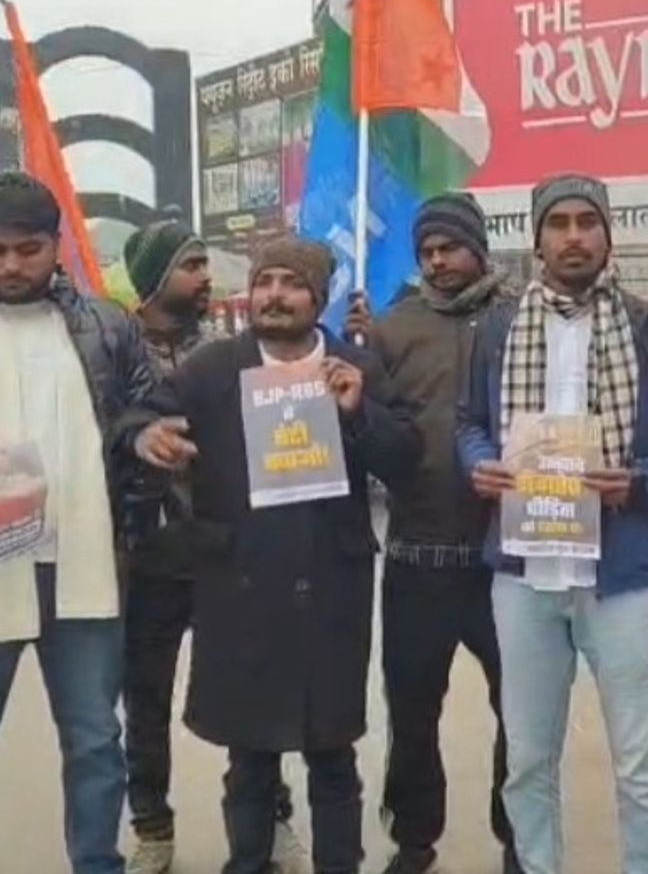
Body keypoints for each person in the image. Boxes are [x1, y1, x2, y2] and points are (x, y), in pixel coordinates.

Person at [125, 237, 421, 874]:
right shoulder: (211, 369)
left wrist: (359, 413)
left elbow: (405, 459)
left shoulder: (353, 365)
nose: (275, 296)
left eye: (291, 283)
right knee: (250, 760)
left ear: (318, 297)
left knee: (333, 756)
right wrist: (148, 437)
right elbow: (141, 420)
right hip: (242, 588)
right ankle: (249, 862)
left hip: (329, 590)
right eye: (265, 282)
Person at [457, 173, 648, 874]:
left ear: (608, 234)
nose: (574, 236)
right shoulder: (499, 328)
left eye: (586, 222)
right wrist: (479, 464)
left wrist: (640, 479)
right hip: (524, 572)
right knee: (528, 758)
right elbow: (469, 423)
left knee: (640, 762)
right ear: (537, 238)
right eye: (559, 223)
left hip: (621, 574)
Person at [344, 193, 520, 874]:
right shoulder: (391, 331)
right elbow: (378, 443)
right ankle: (415, 841)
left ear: (479, 247)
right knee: (413, 712)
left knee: (521, 711)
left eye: (450, 247)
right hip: (419, 555)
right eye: (427, 252)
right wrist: (360, 398)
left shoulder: (522, 318)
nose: (439, 261)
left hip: (509, 558)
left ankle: (520, 837)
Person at [121, 221, 304, 874]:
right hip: (148, 555)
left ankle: (270, 821)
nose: (205, 277)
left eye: (205, 263)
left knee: (252, 695)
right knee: (145, 703)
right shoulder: (118, 350)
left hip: (229, 553)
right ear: (154, 277)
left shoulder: (233, 352)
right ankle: (152, 828)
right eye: (191, 265)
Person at [0, 171, 155, 874]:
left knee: (94, 739)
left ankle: (96, 863)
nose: (11, 265)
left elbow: (142, 409)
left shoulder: (106, 326)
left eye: (27, 249)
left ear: (56, 245)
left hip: (82, 565)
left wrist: (149, 437)